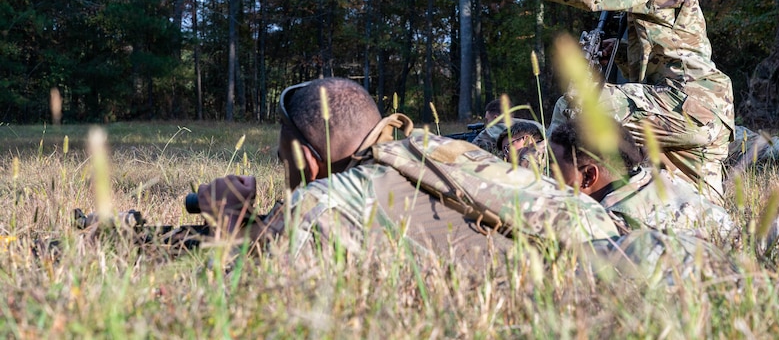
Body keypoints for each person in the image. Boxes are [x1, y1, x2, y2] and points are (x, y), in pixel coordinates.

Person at [456, 0, 735, 203]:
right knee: (700, 207)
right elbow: (671, 55)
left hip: (689, 103)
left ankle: (538, 190)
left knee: (575, 106)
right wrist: (622, 53)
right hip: (706, 113)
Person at [195, 78, 617, 267]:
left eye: (285, 162)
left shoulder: (320, 204)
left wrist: (231, 221)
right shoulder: (444, 151)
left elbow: (237, 297)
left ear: (308, 162)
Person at [546, 119, 736, 239]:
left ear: (588, 176)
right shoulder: (659, 178)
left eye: (554, 172)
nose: (549, 179)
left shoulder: (616, 222)